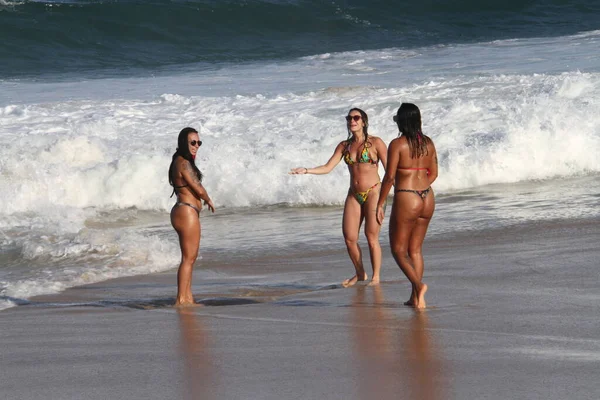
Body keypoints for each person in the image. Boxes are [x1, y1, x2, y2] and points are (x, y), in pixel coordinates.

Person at [290, 108, 387, 287]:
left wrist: (384, 202)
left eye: (356, 118)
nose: (352, 121)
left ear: (364, 121)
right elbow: (327, 167)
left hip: (374, 191)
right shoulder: (344, 146)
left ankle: (376, 277)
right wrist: (307, 170)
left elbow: (390, 173)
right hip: (354, 194)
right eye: (349, 118)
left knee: (371, 236)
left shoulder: (376, 143)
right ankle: (360, 273)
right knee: (349, 238)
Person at [376, 103, 438, 309]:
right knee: (416, 250)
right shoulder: (428, 143)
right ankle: (415, 297)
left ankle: (418, 286)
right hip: (427, 197)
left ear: (402, 121)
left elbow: (390, 176)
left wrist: (380, 203)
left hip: (407, 197)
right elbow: (434, 173)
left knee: (398, 250)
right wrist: (420, 187)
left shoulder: (397, 144)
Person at [169, 127, 215, 306]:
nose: (196, 146)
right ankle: (182, 299)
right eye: (193, 142)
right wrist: (208, 199)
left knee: (190, 257)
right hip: (186, 212)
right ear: (184, 143)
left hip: (184, 211)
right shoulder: (183, 163)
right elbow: (197, 187)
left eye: (199, 142)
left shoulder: (181, 161)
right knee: (188, 258)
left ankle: (187, 297)